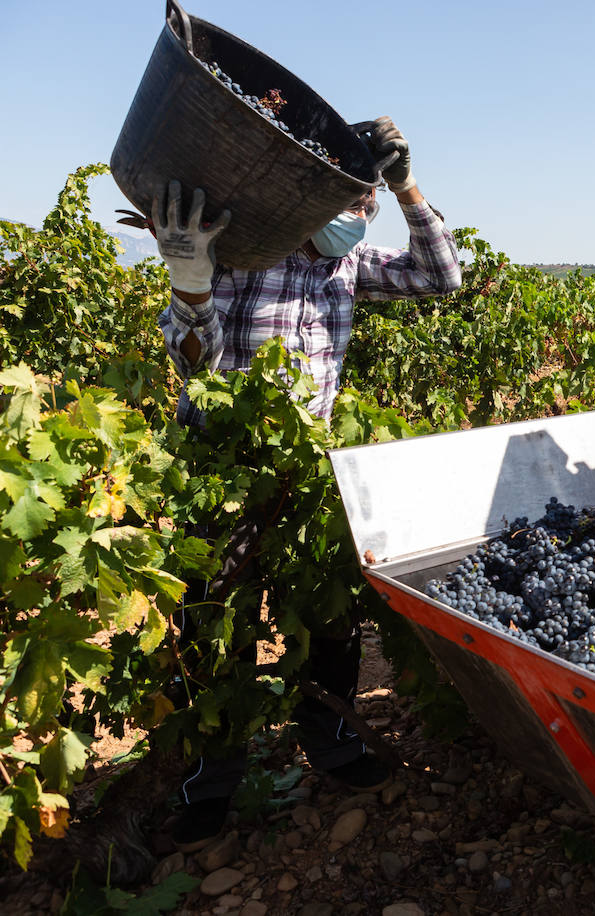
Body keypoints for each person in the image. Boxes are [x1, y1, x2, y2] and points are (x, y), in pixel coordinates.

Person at [153, 116, 463, 851]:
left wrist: (406, 187)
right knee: (213, 626)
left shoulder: (347, 266)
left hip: (308, 475)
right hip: (222, 478)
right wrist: (191, 290)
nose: (359, 220)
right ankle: (211, 782)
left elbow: (442, 276)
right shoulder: (241, 254)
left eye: (368, 208)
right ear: (309, 199)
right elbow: (197, 372)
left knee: (329, 619)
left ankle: (332, 747)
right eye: (349, 205)